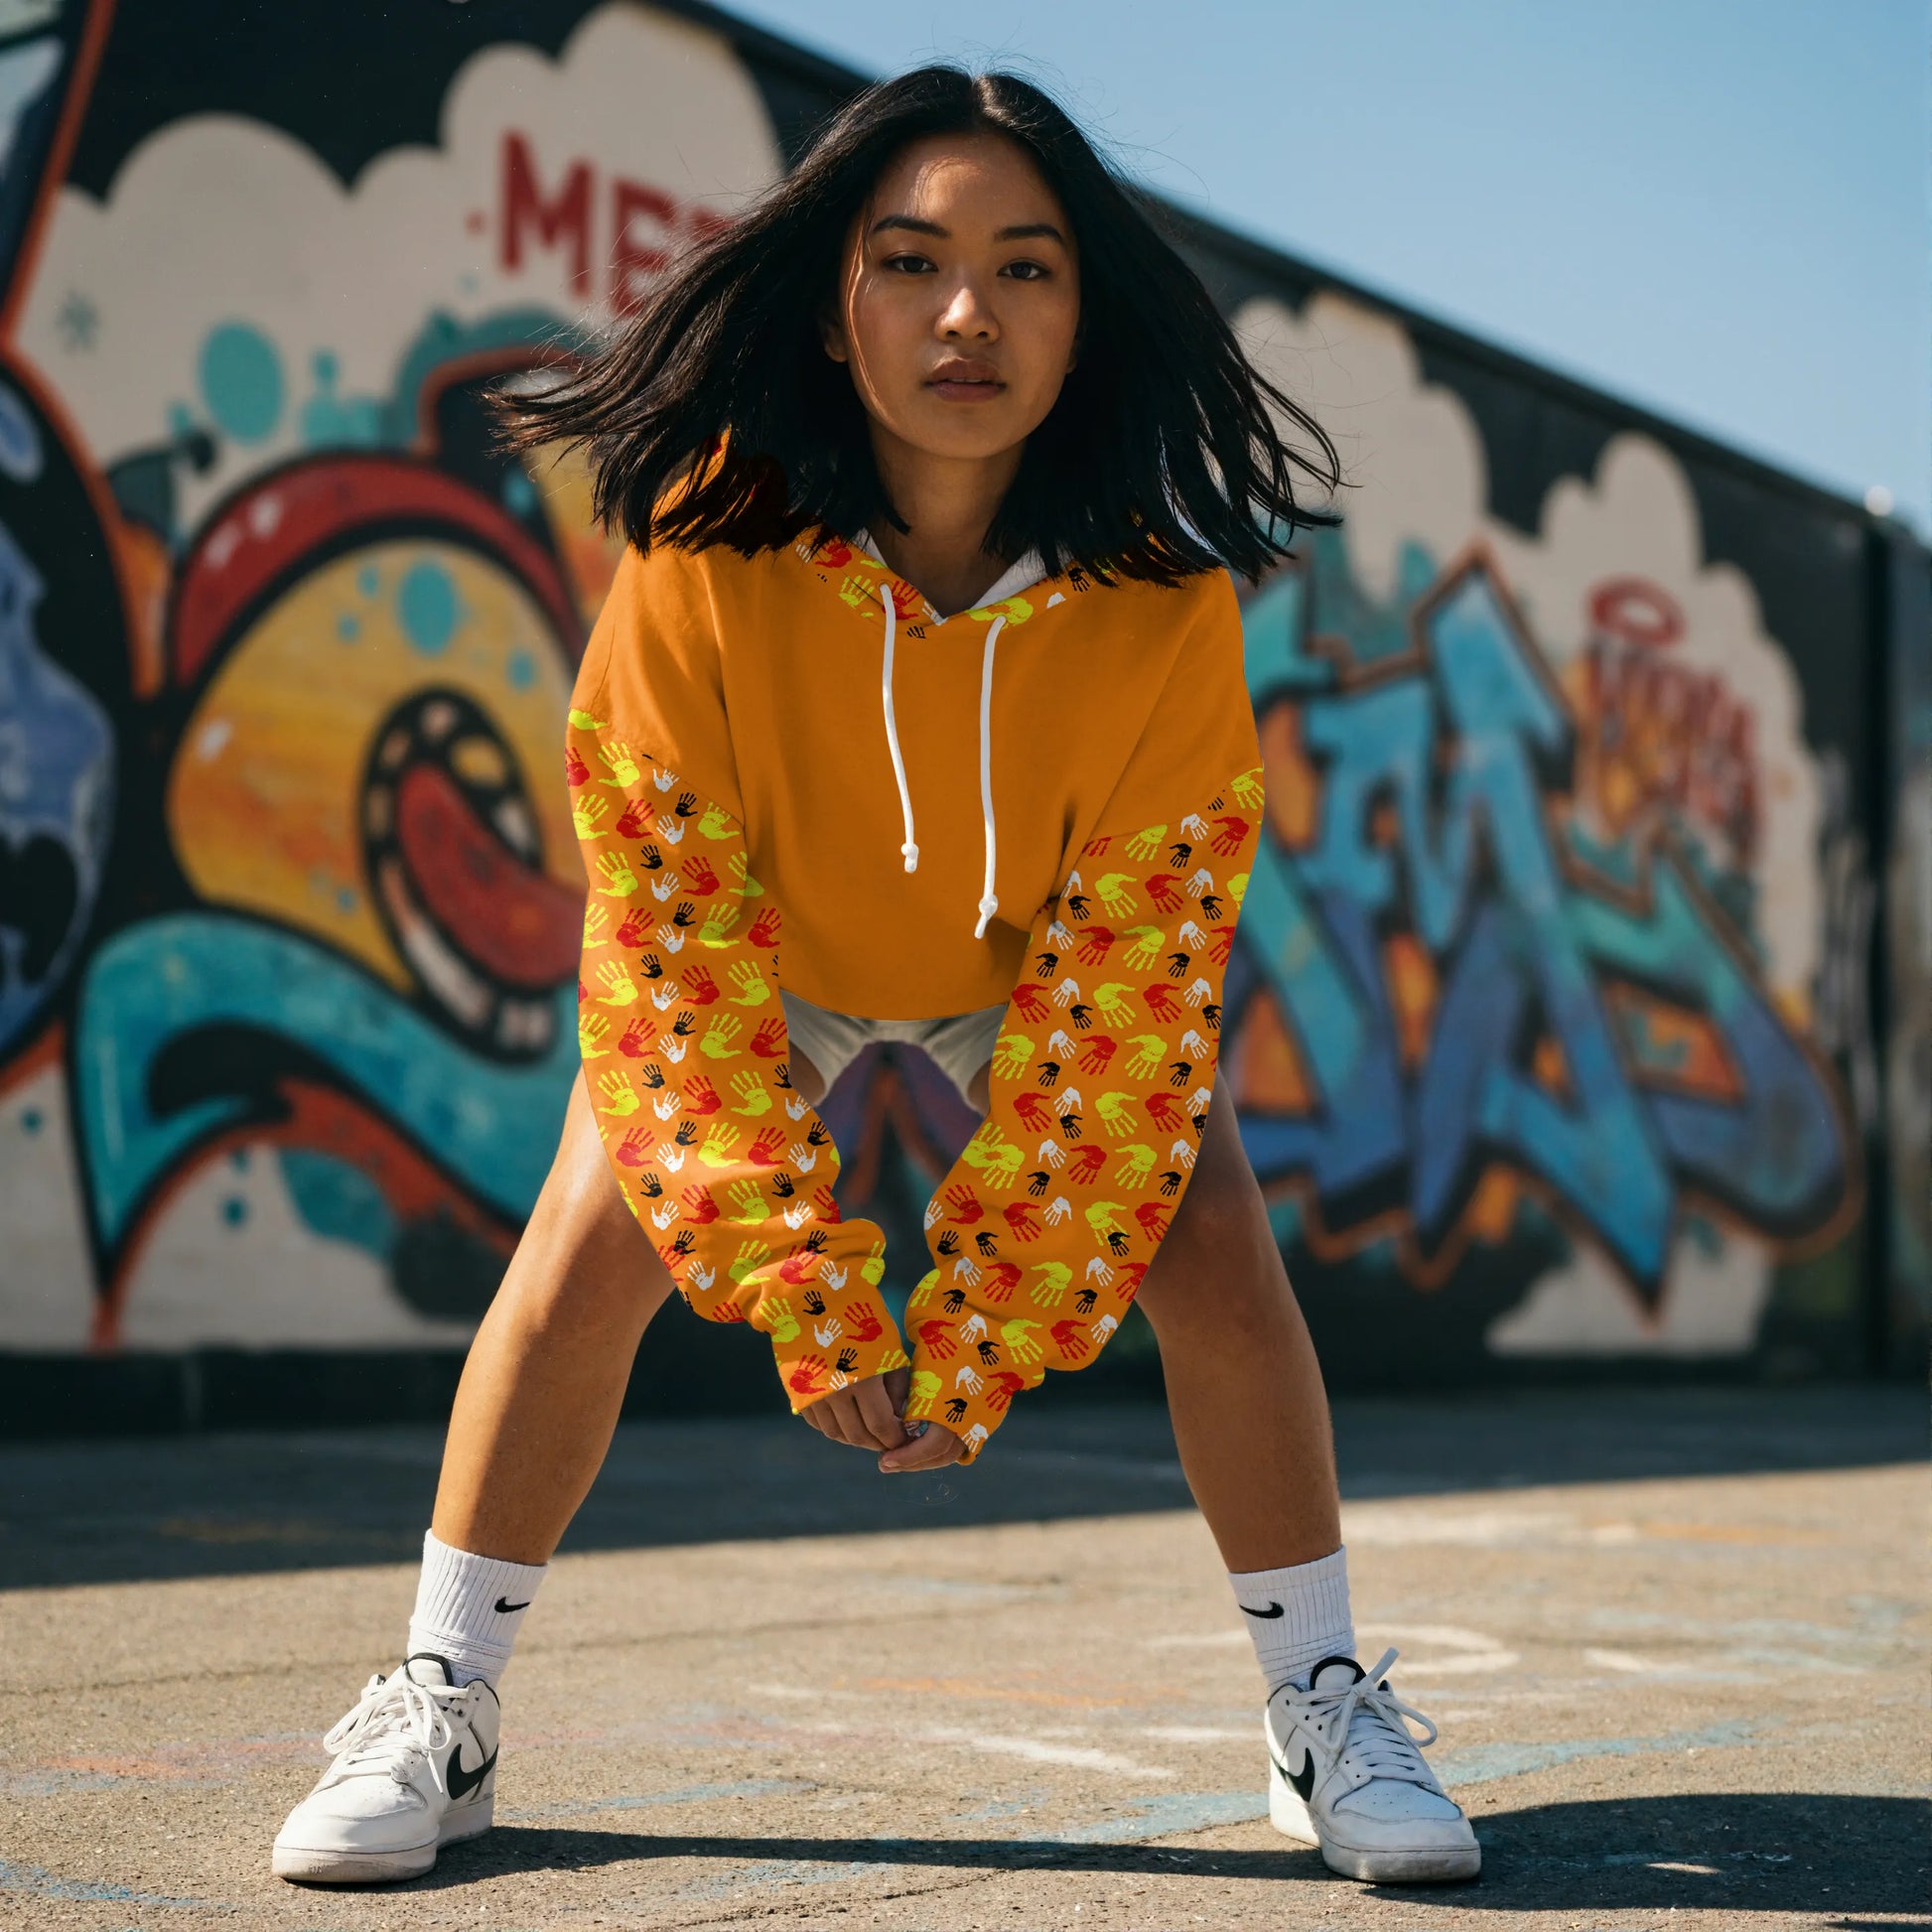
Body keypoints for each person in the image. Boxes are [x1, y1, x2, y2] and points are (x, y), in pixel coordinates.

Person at [271, 65, 1479, 1890]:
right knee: (590, 1239)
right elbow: (664, 927)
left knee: (1212, 1236)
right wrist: (794, 1278)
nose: (966, 313)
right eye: (910, 262)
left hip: (1024, 971)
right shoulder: (701, 543)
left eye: (1025, 267)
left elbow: (1138, 977)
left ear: (1087, 315)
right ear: (839, 307)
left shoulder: (1161, 603)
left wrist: (991, 1315)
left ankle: (1317, 1702)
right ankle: (443, 1699)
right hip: (775, 960)